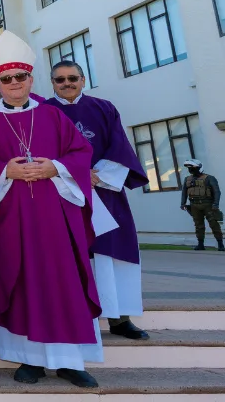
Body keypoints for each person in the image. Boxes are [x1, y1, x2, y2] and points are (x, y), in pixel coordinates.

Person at [0, 31, 101, 388]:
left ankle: (70, 361)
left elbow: (79, 154)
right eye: (5, 79)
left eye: (20, 77)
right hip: (9, 220)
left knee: (62, 283)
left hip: (55, 219)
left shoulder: (54, 117)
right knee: (19, 282)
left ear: (31, 78)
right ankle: (27, 360)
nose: (13, 84)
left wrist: (53, 168)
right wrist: (3, 170)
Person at [44, 61, 151, 340]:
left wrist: (96, 175)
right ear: (52, 82)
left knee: (110, 253)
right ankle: (76, 316)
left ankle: (119, 318)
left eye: (72, 78)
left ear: (83, 79)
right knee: (69, 254)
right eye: (60, 80)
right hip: (61, 193)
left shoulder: (104, 108)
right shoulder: (43, 112)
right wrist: (76, 173)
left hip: (104, 190)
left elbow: (120, 147)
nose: (66, 84)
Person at [180, 160, 224, 251]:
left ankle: (220, 244)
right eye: (189, 168)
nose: (191, 170)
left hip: (208, 204)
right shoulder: (188, 179)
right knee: (198, 225)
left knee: (214, 224)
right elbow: (184, 192)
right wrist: (183, 203)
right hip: (194, 205)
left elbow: (216, 191)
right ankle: (200, 244)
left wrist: (216, 204)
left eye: (193, 168)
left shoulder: (209, 178)